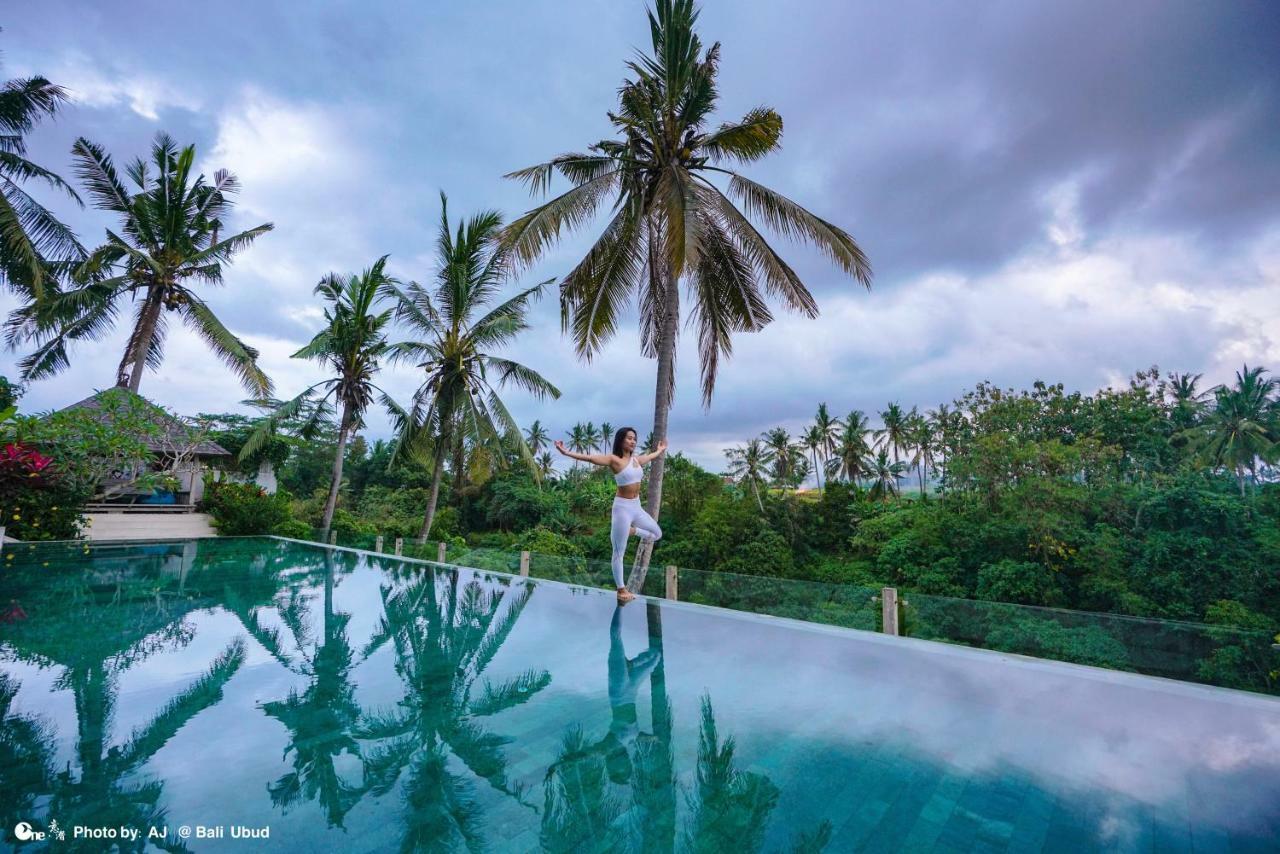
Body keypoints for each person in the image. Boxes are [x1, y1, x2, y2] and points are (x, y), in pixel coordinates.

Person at [555, 427, 666, 602]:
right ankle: (621, 590)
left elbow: (651, 456)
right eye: (629, 438)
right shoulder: (614, 460)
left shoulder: (637, 460)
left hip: (636, 507)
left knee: (657, 534)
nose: (633, 441)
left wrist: (660, 450)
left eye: (634, 439)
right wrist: (566, 452)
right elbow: (591, 458)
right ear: (621, 440)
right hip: (622, 509)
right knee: (618, 552)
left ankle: (633, 531)